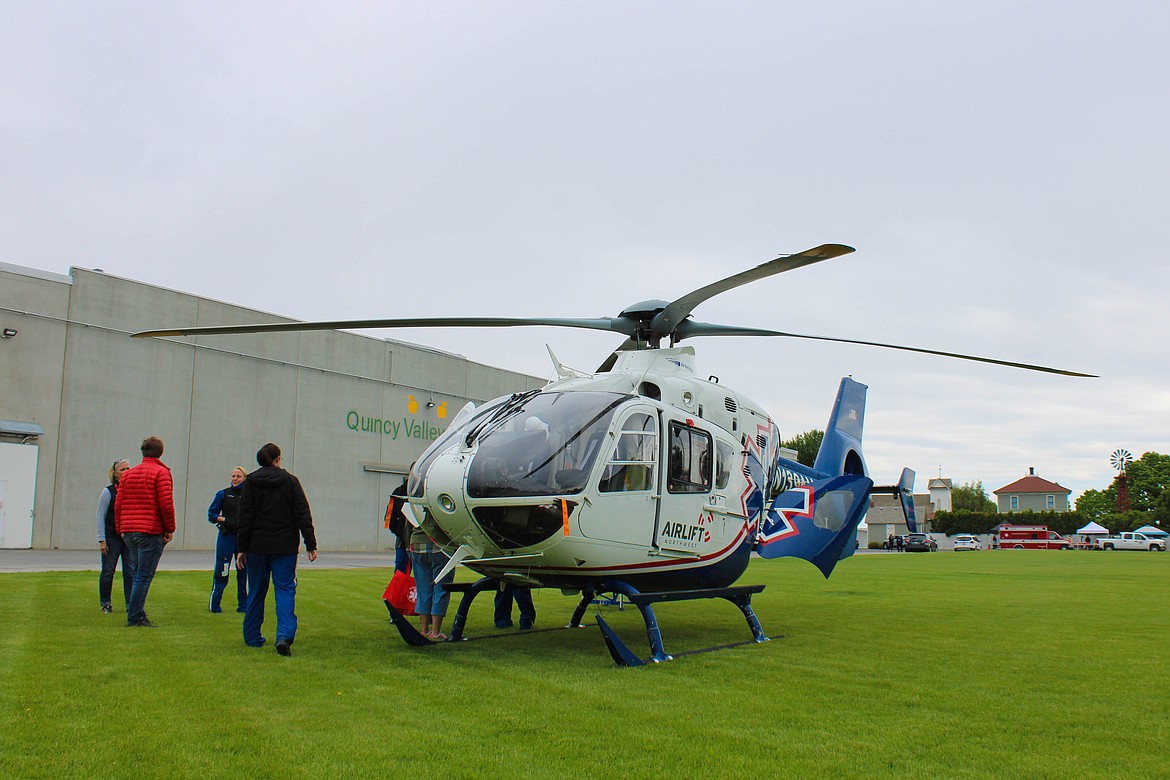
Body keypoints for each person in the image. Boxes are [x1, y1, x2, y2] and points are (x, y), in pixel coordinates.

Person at [236, 443, 317, 656]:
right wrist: (310, 543)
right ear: (278, 458)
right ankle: (284, 635)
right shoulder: (290, 482)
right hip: (284, 546)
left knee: (255, 591)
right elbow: (302, 513)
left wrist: (241, 548)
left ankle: (252, 636)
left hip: (257, 545)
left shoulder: (251, 483)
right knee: (285, 589)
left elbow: (245, 518)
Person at [114, 436, 175, 628]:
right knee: (144, 574)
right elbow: (165, 504)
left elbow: (119, 504)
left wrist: (120, 528)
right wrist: (169, 528)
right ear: (160, 452)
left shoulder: (130, 474)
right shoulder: (161, 472)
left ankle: (136, 612)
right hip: (149, 529)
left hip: (129, 530)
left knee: (137, 571)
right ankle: (135, 615)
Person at [207, 466, 249, 613]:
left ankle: (243, 606)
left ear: (244, 478)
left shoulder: (249, 495)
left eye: (238, 476)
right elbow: (211, 514)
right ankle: (215, 605)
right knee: (222, 571)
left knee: (243, 572)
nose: (235, 479)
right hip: (226, 537)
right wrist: (224, 519)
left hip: (242, 539)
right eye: (233, 476)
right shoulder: (223, 494)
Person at [96, 458, 133, 614]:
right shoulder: (108, 492)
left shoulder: (133, 491)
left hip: (128, 537)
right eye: (123, 469)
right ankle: (106, 603)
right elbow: (100, 516)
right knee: (108, 570)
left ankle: (131, 604)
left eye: (128, 468)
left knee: (130, 571)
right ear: (116, 473)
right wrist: (102, 539)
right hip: (112, 537)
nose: (127, 471)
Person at [410, 517, 454, 640]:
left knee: (423, 590)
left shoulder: (417, 504)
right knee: (441, 589)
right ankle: (435, 631)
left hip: (417, 544)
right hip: (439, 545)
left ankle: (424, 629)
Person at [384, 479, 410, 574]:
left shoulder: (422, 492)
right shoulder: (399, 493)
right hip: (402, 543)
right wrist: (402, 534)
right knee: (400, 574)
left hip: (420, 543)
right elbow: (390, 519)